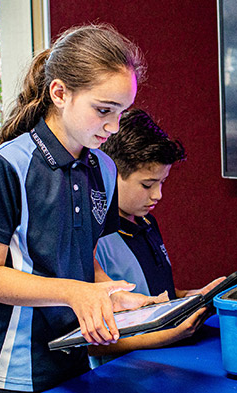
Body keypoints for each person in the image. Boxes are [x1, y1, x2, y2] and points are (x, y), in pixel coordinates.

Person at [0, 24, 157, 393]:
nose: (114, 127)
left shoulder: (103, 167)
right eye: (104, 110)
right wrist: (76, 293)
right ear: (59, 93)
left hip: (74, 355)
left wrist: (112, 296)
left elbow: (84, 259)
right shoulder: (4, 165)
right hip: (9, 369)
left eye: (122, 113)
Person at [89, 108, 224, 365]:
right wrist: (166, 336)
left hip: (164, 363)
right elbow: (90, 345)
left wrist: (194, 296)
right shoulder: (96, 240)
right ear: (110, 174)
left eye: (163, 182)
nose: (158, 195)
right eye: (147, 185)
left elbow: (155, 295)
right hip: (121, 374)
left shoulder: (147, 222)